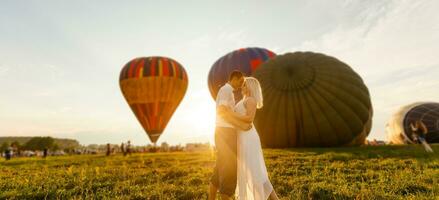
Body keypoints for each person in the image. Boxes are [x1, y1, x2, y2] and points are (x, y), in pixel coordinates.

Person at [219, 77, 280, 200]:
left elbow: (249, 118)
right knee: (250, 170)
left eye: (245, 85)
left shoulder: (251, 100)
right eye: (243, 84)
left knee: (254, 171)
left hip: (248, 137)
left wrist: (230, 114)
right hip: (242, 136)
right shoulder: (244, 99)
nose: (242, 86)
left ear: (251, 87)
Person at [209, 70, 250, 200]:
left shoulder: (227, 91)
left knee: (220, 167)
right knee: (229, 169)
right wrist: (240, 125)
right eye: (240, 81)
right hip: (225, 132)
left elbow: (225, 111)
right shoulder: (226, 90)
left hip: (223, 131)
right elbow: (222, 111)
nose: (241, 84)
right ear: (234, 78)